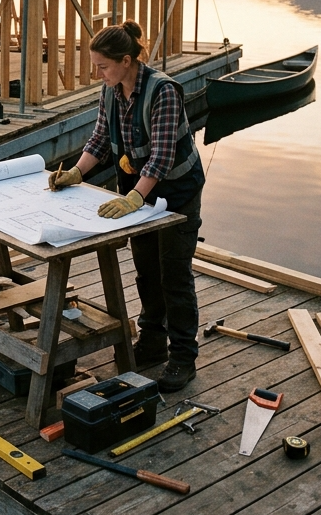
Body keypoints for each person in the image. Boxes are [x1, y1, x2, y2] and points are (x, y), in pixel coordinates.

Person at [47, 20, 205, 393]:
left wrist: (136, 197)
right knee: (146, 271)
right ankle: (152, 341)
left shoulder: (163, 91)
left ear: (128, 59)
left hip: (178, 192)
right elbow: (101, 139)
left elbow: (163, 154)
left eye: (102, 66)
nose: (97, 72)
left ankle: (183, 357)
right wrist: (75, 172)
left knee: (175, 275)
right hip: (138, 190)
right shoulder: (111, 90)